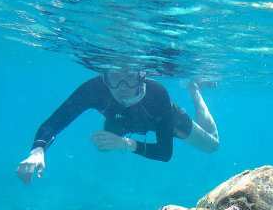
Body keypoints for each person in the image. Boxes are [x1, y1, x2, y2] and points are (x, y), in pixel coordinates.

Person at [16, 68, 219, 184]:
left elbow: (165, 153)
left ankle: (195, 89)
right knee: (103, 148)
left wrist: (127, 144)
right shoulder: (94, 89)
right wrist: (37, 150)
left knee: (212, 146)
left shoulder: (157, 94)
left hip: (161, 120)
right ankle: (116, 133)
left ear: (141, 76)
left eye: (130, 77)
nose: (122, 87)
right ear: (105, 77)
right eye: (115, 77)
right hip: (118, 121)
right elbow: (56, 120)